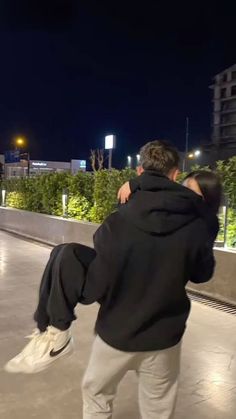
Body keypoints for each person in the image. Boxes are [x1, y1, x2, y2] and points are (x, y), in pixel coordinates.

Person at [5, 140, 221, 419]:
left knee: (97, 398)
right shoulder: (199, 225)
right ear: (176, 175)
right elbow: (202, 275)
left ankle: (56, 333)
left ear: (141, 170)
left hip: (117, 333)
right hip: (165, 337)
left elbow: (101, 277)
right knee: (158, 409)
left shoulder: (119, 220)